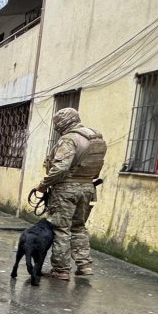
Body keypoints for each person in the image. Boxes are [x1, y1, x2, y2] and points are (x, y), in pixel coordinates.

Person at [36, 108, 107, 280]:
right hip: (87, 188)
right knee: (78, 227)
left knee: (61, 228)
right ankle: (84, 266)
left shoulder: (69, 139)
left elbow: (60, 168)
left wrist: (43, 186)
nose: (56, 127)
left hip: (66, 190)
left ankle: (61, 270)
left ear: (63, 122)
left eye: (57, 124)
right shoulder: (95, 137)